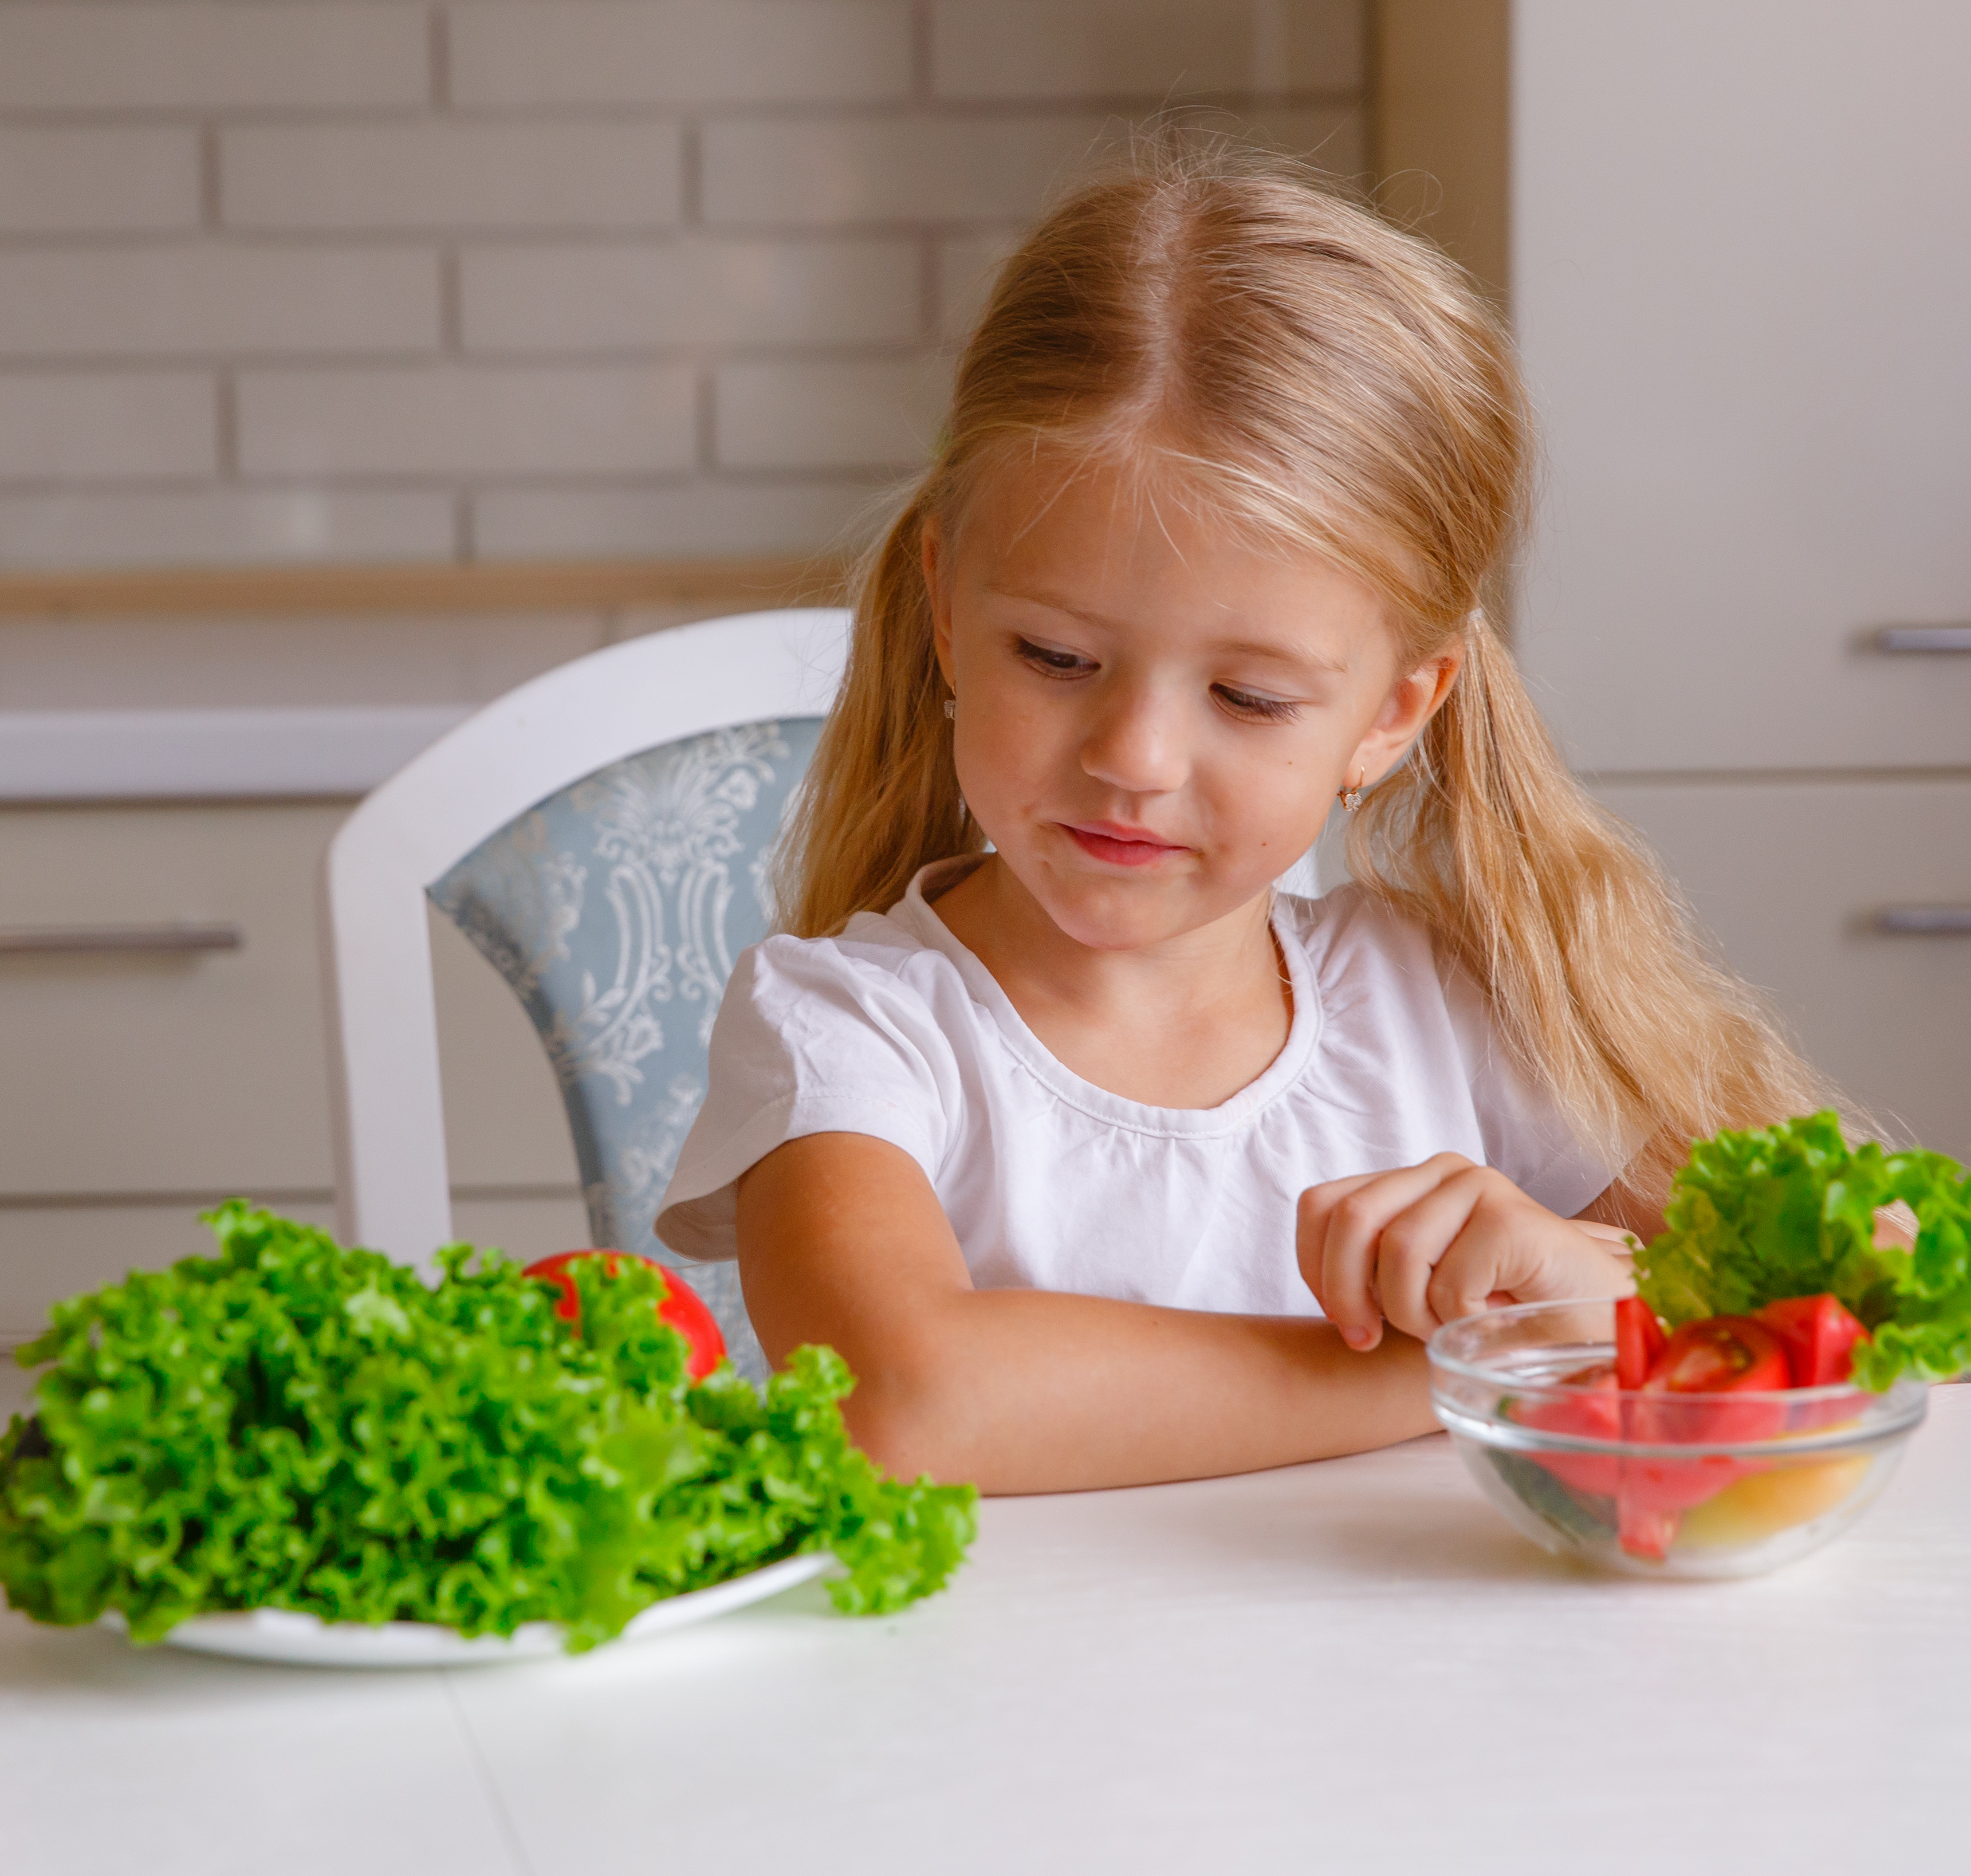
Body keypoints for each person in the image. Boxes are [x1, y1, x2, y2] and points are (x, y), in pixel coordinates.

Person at [651, 139, 1832, 1493]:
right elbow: (907, 1402)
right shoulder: (848, 1032)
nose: (1136, 757)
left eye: (1250, 695)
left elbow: (1864, 1308)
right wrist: (1491, 1357)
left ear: (1391, 712)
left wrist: (1595, 1280)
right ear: (942, 605)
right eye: (1054, 657)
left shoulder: (1452, 1000)